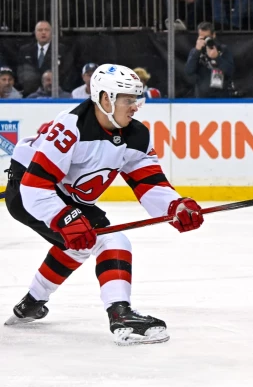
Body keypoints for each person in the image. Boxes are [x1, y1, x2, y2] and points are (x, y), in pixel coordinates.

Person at [3, 64, 205, 346]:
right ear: (106, 98)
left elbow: (149, 183)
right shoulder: (70, 128)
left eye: (137, 99)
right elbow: (35, 186)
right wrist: (64, 217)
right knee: (110, 240)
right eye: (128, 100)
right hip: (28, 190)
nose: (135, 107)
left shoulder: (136, 135)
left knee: (82, 240)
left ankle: (31, 303)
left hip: (61, 193)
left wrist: (175, 208)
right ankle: (120, 314)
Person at [17, 21, 72, 97]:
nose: (43, 32)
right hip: (30, 94)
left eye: (46, 30)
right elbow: (21, 71)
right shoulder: (25, 50)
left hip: (55, 94)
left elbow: (67, 72)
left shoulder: (61, 49)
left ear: (52, 33)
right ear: (35, 33)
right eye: (40, 30)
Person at [184, 22, 235, 98]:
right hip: (202, 97)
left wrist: (217, 58)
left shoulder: (223, 49)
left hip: (221, 97)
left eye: (207, 37)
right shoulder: (195, 51)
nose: (205, 40)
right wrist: (197, 51)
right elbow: (188, 71)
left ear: (213, 35)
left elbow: (230, 71)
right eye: (202, 37)